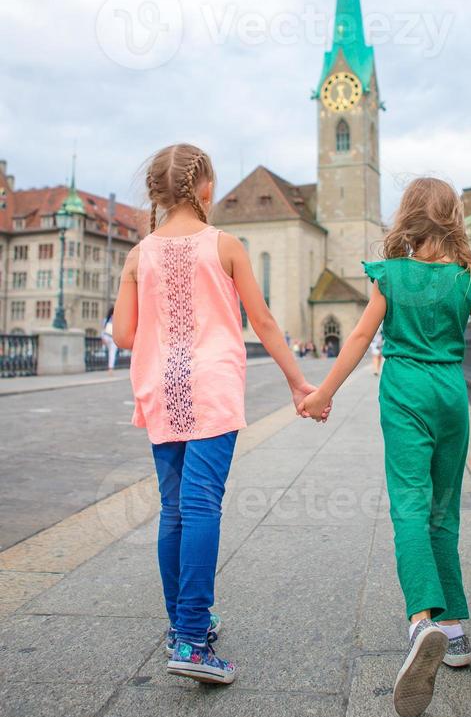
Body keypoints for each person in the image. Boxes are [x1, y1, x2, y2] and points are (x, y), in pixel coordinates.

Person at [300, 177, 471, 717]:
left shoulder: (391, 275)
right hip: (451, 395)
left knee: (409, 504)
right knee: (442, 510)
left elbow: (361, 337)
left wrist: (322, 394)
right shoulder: (466, 280)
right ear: (453, 219)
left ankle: (421, 621)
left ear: (408, 218)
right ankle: (454, 632)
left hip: (405, 391)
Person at [112, 144, 328, 686]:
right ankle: (191, 638)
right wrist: (299, 383)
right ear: (203, 187)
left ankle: (184, 626)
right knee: (203, 503)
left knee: (174, 508)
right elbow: (264, 321)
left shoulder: (139, 255)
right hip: (211, 387)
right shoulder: (225, 245)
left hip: (163, 388)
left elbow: (123, 336)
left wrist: (136, 280)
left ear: (157, 193)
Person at [100, 306, 118, 373]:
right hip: (112, 338)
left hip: (106, 337)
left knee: (109, 352)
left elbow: (102, 330)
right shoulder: (116, 319)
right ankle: (110, 368)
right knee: (112, 353)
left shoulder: (106, 319)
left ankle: (109, 367)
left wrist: (102, 338)